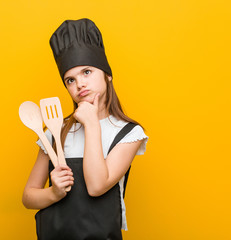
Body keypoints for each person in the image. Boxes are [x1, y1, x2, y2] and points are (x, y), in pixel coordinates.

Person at [22, 18, 149, 240]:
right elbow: (28, 197)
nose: (79, 84)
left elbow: (97, 186)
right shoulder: (55, 131)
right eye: (70, 80)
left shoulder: (128, 133)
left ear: (107, 74)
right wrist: (53, 193)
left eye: (87, 72)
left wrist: (91, 124)